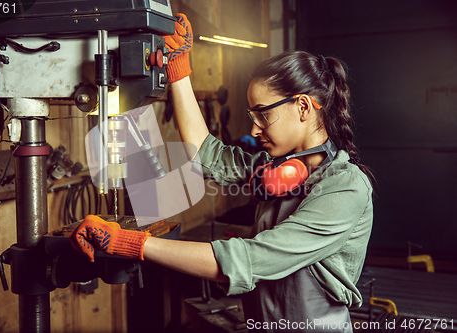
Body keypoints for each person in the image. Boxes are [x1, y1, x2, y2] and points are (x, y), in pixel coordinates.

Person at [70, 14, 374, 333]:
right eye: (251, 115)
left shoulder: (346, 187)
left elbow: (250, 260)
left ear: (302, 107)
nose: (254, 129)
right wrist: (178, 69)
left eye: (264, 114)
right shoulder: (276, 168)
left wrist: (129, 242)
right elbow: (207, 155)